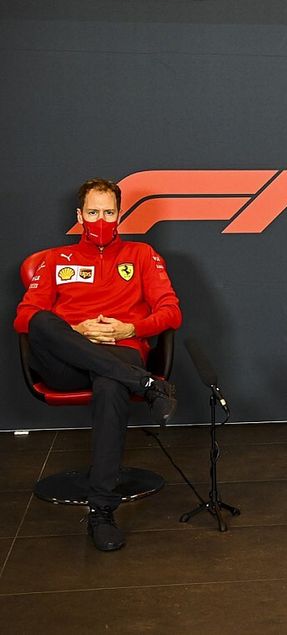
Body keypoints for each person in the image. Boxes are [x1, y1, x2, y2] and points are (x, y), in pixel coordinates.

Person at [14, 178, 182, 550]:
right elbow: (24, 317)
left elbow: (171, 312)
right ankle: (145, 384)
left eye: (108, 212)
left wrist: (131, 326)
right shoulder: (57, 259)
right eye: (93, 212)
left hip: (121, 349)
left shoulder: (141, 254)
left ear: (120, 214)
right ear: (79, 215)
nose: (101, 220)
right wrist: (77, 330)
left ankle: (101, 512)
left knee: (110, 381)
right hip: (66, 361)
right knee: (42, 321)